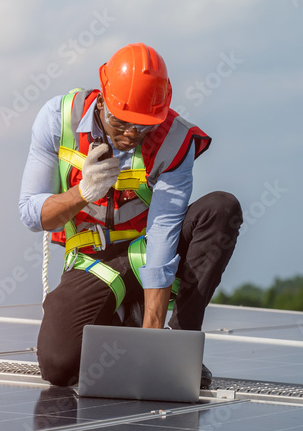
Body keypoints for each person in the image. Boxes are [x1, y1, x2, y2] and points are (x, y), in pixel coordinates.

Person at [18, 42, 242, 388]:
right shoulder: (56, 119)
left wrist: (154, 346)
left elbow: (164, 229)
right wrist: (82, 193)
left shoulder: (174, 140)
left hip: (149, 246)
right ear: (102, 98)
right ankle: (122, 316)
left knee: (221, 208)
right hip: (93, 258)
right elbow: (33, 215)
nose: (129, 135)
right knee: (58, 366)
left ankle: (177, 341)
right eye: (120, 123)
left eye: (141, 127)